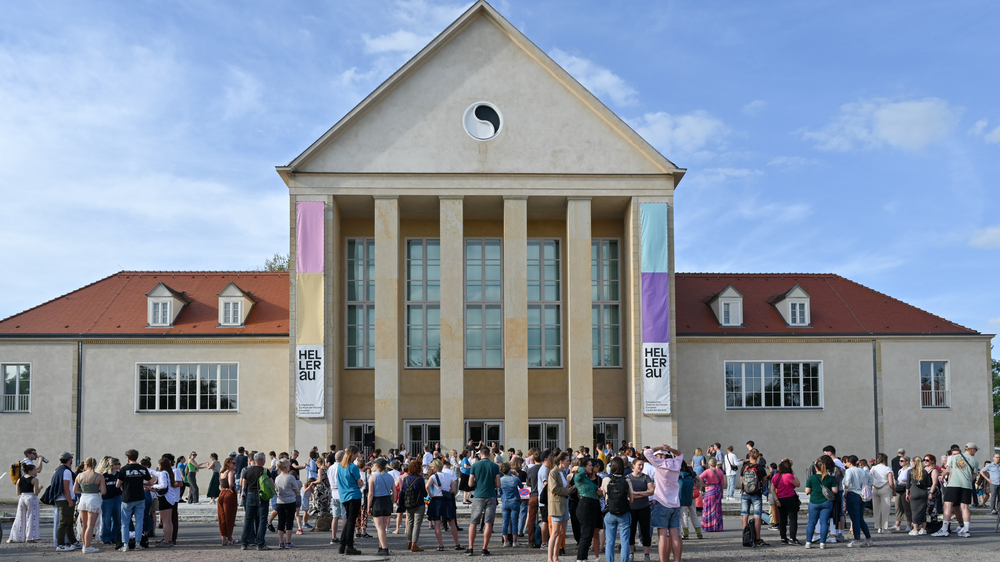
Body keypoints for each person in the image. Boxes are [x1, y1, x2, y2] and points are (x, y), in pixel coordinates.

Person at [644, 445, 684, 562]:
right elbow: (680, 454)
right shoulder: (677, 464)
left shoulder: (660, 464)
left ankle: (663, 560)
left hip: (662, 501)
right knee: (674, 535)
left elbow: (647, 453)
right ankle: (677, 560)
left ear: (663, 456)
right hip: (675, 502)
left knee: (662, 536)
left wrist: (660, 447)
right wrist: (671, 449)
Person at [932, 442, 980, 537]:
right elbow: (973, 476)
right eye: (976, 450)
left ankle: (944, 529)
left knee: (948, 505)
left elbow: (951, 470)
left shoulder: (954, 458)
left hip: (954, 484)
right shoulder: (975, 461)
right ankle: (966, 530)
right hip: (966, 485)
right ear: (973, 450)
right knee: (965, 508)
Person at [117, 449, 154, 551]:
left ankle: (125, 545)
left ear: (128, 458)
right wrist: (141, 483)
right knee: (139, 521)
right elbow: (150, 482)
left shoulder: (124, 469)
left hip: (127, 497)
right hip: (140, 497)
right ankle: (138, 543)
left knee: (125, 522)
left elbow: (117, 484)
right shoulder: (142, 469)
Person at [467, 446, 501, 556]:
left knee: (473, 522)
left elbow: (470, 484)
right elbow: (498, 484)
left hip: (478, 496)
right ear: (490, 455)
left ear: (480, 455)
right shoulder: (494, 466)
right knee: (488, 523)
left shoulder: (475, 466)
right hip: (491, 495)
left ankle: (471, 547)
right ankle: (484, 548)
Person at [601, 457, 634, 562]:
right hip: (624, 513)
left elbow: (603, 495)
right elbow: (632, 499)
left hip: (610, 512)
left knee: (610, 542)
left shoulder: (606, 480)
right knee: (625, 541)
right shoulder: (627, 480)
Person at [73, 456, 107, 553]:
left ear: (86, 464)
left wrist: (83, 490)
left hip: (83, 499)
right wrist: (96, 489)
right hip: (94, 499)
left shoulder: (79, 475)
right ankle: (87, 547)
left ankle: (85, 545)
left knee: (84, 525)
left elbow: (75, 490)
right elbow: (104, 491)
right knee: (90, 525)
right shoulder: (99, 476)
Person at [573, 457, 604, 561]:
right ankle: (580, 558)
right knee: (586, 534)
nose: (592, 467)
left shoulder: (586, 478)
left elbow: (595, 489)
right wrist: (578, 467)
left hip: (593, 505)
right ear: (584, 467)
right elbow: (580, 471)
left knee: (590, 533)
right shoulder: (579, 476)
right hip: (585, 505)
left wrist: (599, 492)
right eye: (590, 465)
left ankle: (584, 557)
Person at [803, 456, 837, 550]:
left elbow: (807, 491)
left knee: (811, 523)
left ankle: (808, 542)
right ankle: (822, 543)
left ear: (816, 467)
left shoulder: (811, 478)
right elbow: (835, 491)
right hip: (826, 502)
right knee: (824, 523)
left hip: (814, 502)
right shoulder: (830, 478)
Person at [427, 459, 462, 551]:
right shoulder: (448, 475)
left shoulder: (433, 477)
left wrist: (431, 495)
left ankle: (441, 545)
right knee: (452, 523)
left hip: (436, 500)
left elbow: (427, 486)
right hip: (446, 500)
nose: (431, 468)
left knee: (437, 524)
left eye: (432, 467)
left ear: (434, 467)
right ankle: (456, 544)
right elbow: (453, 490)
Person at [336, 446, 364, 555]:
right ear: (353, 454)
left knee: (348, 520)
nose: (358, 456)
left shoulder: (340, 467)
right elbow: (359, 482)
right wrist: (360, 483)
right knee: (351, 522)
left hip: (344, 495)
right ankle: (349, 545)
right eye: (357, 454)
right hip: (354, 495)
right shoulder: (353, 467)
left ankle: (342, 544)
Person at [240, 452, 271, 551]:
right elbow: (272, 485)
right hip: (262, 496)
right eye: (264, 459)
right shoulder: (265, 471)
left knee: (248, 519)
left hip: (250, 495)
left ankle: (244, 543)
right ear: (261, 460)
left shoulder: (247, 471)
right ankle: (260, 543)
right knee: (262, 519)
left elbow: (243, 486)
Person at [546, 452, 573, 562]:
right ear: (561, 461)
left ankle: (556, 557)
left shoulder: (563, 472)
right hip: (556, 504)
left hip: (564, 503)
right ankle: (549, 558)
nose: (569, 462)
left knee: (561, 532)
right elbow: (553, 488)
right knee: (555, 532)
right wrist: (566, 491)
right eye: (567, 460)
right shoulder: (553, 472)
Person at [627, 457, 655, 561]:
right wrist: (643, 494)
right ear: (633, 465)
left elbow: (651, 491)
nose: (641, 467)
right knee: (631, 531)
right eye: (639, 465)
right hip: (632, 508)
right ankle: (631, 552)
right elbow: (628, 495)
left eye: (642, 465)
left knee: (645, 531)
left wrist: (636, 493)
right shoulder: (628, 478)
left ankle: (647, 554)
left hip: (644, 507)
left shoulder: (646, 477)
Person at [841, 455, 873, 547]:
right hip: (863, 495)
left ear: (850, 462)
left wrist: (846, 489)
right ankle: (868, 538)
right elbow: (871, 479)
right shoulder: (862, 470)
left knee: (854, 519)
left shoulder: (849, 471)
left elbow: (846, 482)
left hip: (853, 494)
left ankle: (857, 540)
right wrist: (865, 486)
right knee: (860, 518)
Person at [739, 448, 768, 547]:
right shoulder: (760, 468)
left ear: (749, 456)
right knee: (757, 517)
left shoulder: (744, 467)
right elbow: (764, 483)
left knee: (745, 516)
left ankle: (745, 537)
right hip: (756, 494)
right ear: (758, 456)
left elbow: (742, 482)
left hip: (745, 494)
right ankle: (757, 539)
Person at [50, 451, 78, 551]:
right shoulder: (66, 471)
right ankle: (60, 544)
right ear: (69, 459)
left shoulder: (58, 470)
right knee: (64, 522)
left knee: (69, 522)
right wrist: (70, 500)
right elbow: (66, 488)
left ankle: (73, 541)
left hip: (61, 499)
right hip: (64, 500)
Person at [366, 458, 394, 556]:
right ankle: (380, 546)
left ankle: (385, 548)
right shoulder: (390, 477)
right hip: (387, 500)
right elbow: (394, 491)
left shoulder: (372, 477)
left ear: (376, 466)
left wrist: (368, 506)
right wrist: (392, 501)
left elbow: (370, 494)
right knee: (383, 526)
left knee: (379, 527)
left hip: (377, 501)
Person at [9, 462, 42, 543]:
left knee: (20, 517)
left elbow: (18, 493)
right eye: (34, 470)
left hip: (22, 497)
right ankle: (30, 537)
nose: (36, 471)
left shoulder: (19, 480)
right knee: (31, 517)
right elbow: (36, 492)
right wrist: (40, 487)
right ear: (30, 471)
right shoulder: (34, 479)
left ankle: (16, 536)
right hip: (31, 498)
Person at [398, 459, 426, 552]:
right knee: (417, 524)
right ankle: (414, 544)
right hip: (419, 503)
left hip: (408, 503)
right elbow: (424, 493)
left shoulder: (405, 478)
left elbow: (402, 492)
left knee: (410, 522)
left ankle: (409, 541)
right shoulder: (420, 479)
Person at [273, 459, 302, 549]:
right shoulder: (290, 477)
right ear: (286, 467)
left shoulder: (277, 477)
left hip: (280, 501)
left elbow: (276, 489)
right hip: (290, 501)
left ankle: (281, 542)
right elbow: (296, 490)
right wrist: (293, 495)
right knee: (289, 521)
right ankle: (288, 542)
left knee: (281, 521)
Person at [771, 459, 800, 544]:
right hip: (790, 498)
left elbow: (772, 489)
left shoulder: (776, 476)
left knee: (782, 519)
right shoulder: (789, 476)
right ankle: (792, 538)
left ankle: (783, 537)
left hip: (780, 499)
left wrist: (776, 499)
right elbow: (798, 484)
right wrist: (794, 474)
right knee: (793, 519)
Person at [96, 456, 122, 547]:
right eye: (118, 463)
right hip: (107, 499)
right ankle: (106, 537)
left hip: (117, 498)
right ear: (114, 465)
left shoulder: (119, 474)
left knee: (117, 519)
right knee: (106, 519)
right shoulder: (104, 475)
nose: (120, 465)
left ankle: (115, 537)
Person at [906, 455, 935, 536]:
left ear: (914, 463)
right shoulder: (925, 472)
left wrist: (907, 493)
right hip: (923, 493)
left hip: (914, 492)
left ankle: (915, 529)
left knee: (914, 511)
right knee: (922, 511)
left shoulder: (910, 471)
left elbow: (908, 484)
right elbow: (929, 483)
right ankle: (923, 529)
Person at [499, 462, 523, 547]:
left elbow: (499, 492)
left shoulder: (500, 480)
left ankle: (506, 541)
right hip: (514, 501)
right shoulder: (515, 479)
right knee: (514, 522)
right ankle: (514, 541)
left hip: (505, 501)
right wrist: (516, 475)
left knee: (505, 522)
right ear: (510, 470)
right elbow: (521, 487)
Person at [869, 453, 895, 533]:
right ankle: (884, 527)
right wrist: (894, 491)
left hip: (875, 488)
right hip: (885, 488)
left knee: (876, 508)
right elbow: (891, 482)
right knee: (885, 508)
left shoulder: (873, 468)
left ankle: (879, 527)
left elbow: (869, 478)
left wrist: (870, 488)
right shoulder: (888, 469)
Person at [677, 461, 703, 540]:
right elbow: (700, 481)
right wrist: (697, 489)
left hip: (682, 497)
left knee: (684, 516)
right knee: (694, 514)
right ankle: (699, 533)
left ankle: (685, 534)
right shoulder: (691, 472)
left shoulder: (677, 474)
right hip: (691, 496)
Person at [216, 456, 238, 545]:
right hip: (229, 494)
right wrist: (235, 490)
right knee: (230, 516)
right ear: (228, 464)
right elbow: (231, 484)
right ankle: (229, 537)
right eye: (233, 463)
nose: (234, 465)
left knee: (222, 517)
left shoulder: (221, 473)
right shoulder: (230, 472)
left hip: (222, 493)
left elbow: (221, 484)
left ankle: (223, 538)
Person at [700, 457, 725, 532]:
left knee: (709, 508)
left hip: (710, 490)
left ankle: (709, 526)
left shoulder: (707, 471)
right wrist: (722, 492)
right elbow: (722, 484)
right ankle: (717, 526)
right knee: (717, 508)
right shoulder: (720, 471)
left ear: (709, 463)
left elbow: (699, 478)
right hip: (717, 490)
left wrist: (704, 485)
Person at [327, 451, 344, 544]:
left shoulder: (330, 468)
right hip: (341, 492)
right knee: (344, 516)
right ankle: (343, 536)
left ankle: (334, 537)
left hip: (333, 492)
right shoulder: (341, 467)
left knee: (335, 517)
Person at [892, 456, 912, 532]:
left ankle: (909, 524)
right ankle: (897, 524)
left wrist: (902, 483)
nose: (900, 462)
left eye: (902, 461)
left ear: (907, 461)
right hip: (899, 489)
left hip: (905, 489)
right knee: (898, 506)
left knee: (907, 507)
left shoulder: (909, 470)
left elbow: (910, 481)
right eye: (900, 461)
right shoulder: (900, 470)